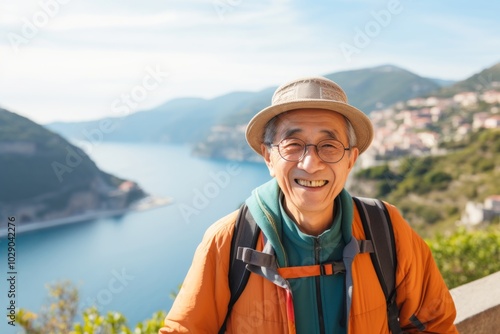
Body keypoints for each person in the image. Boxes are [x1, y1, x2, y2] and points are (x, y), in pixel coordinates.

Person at [159, 77, 458, 333]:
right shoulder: (229, 241)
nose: (311, 163)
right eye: (293, 145)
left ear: (351, 159)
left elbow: (434, 323)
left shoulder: (386, 229)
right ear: (268, 157)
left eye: (329, 146)